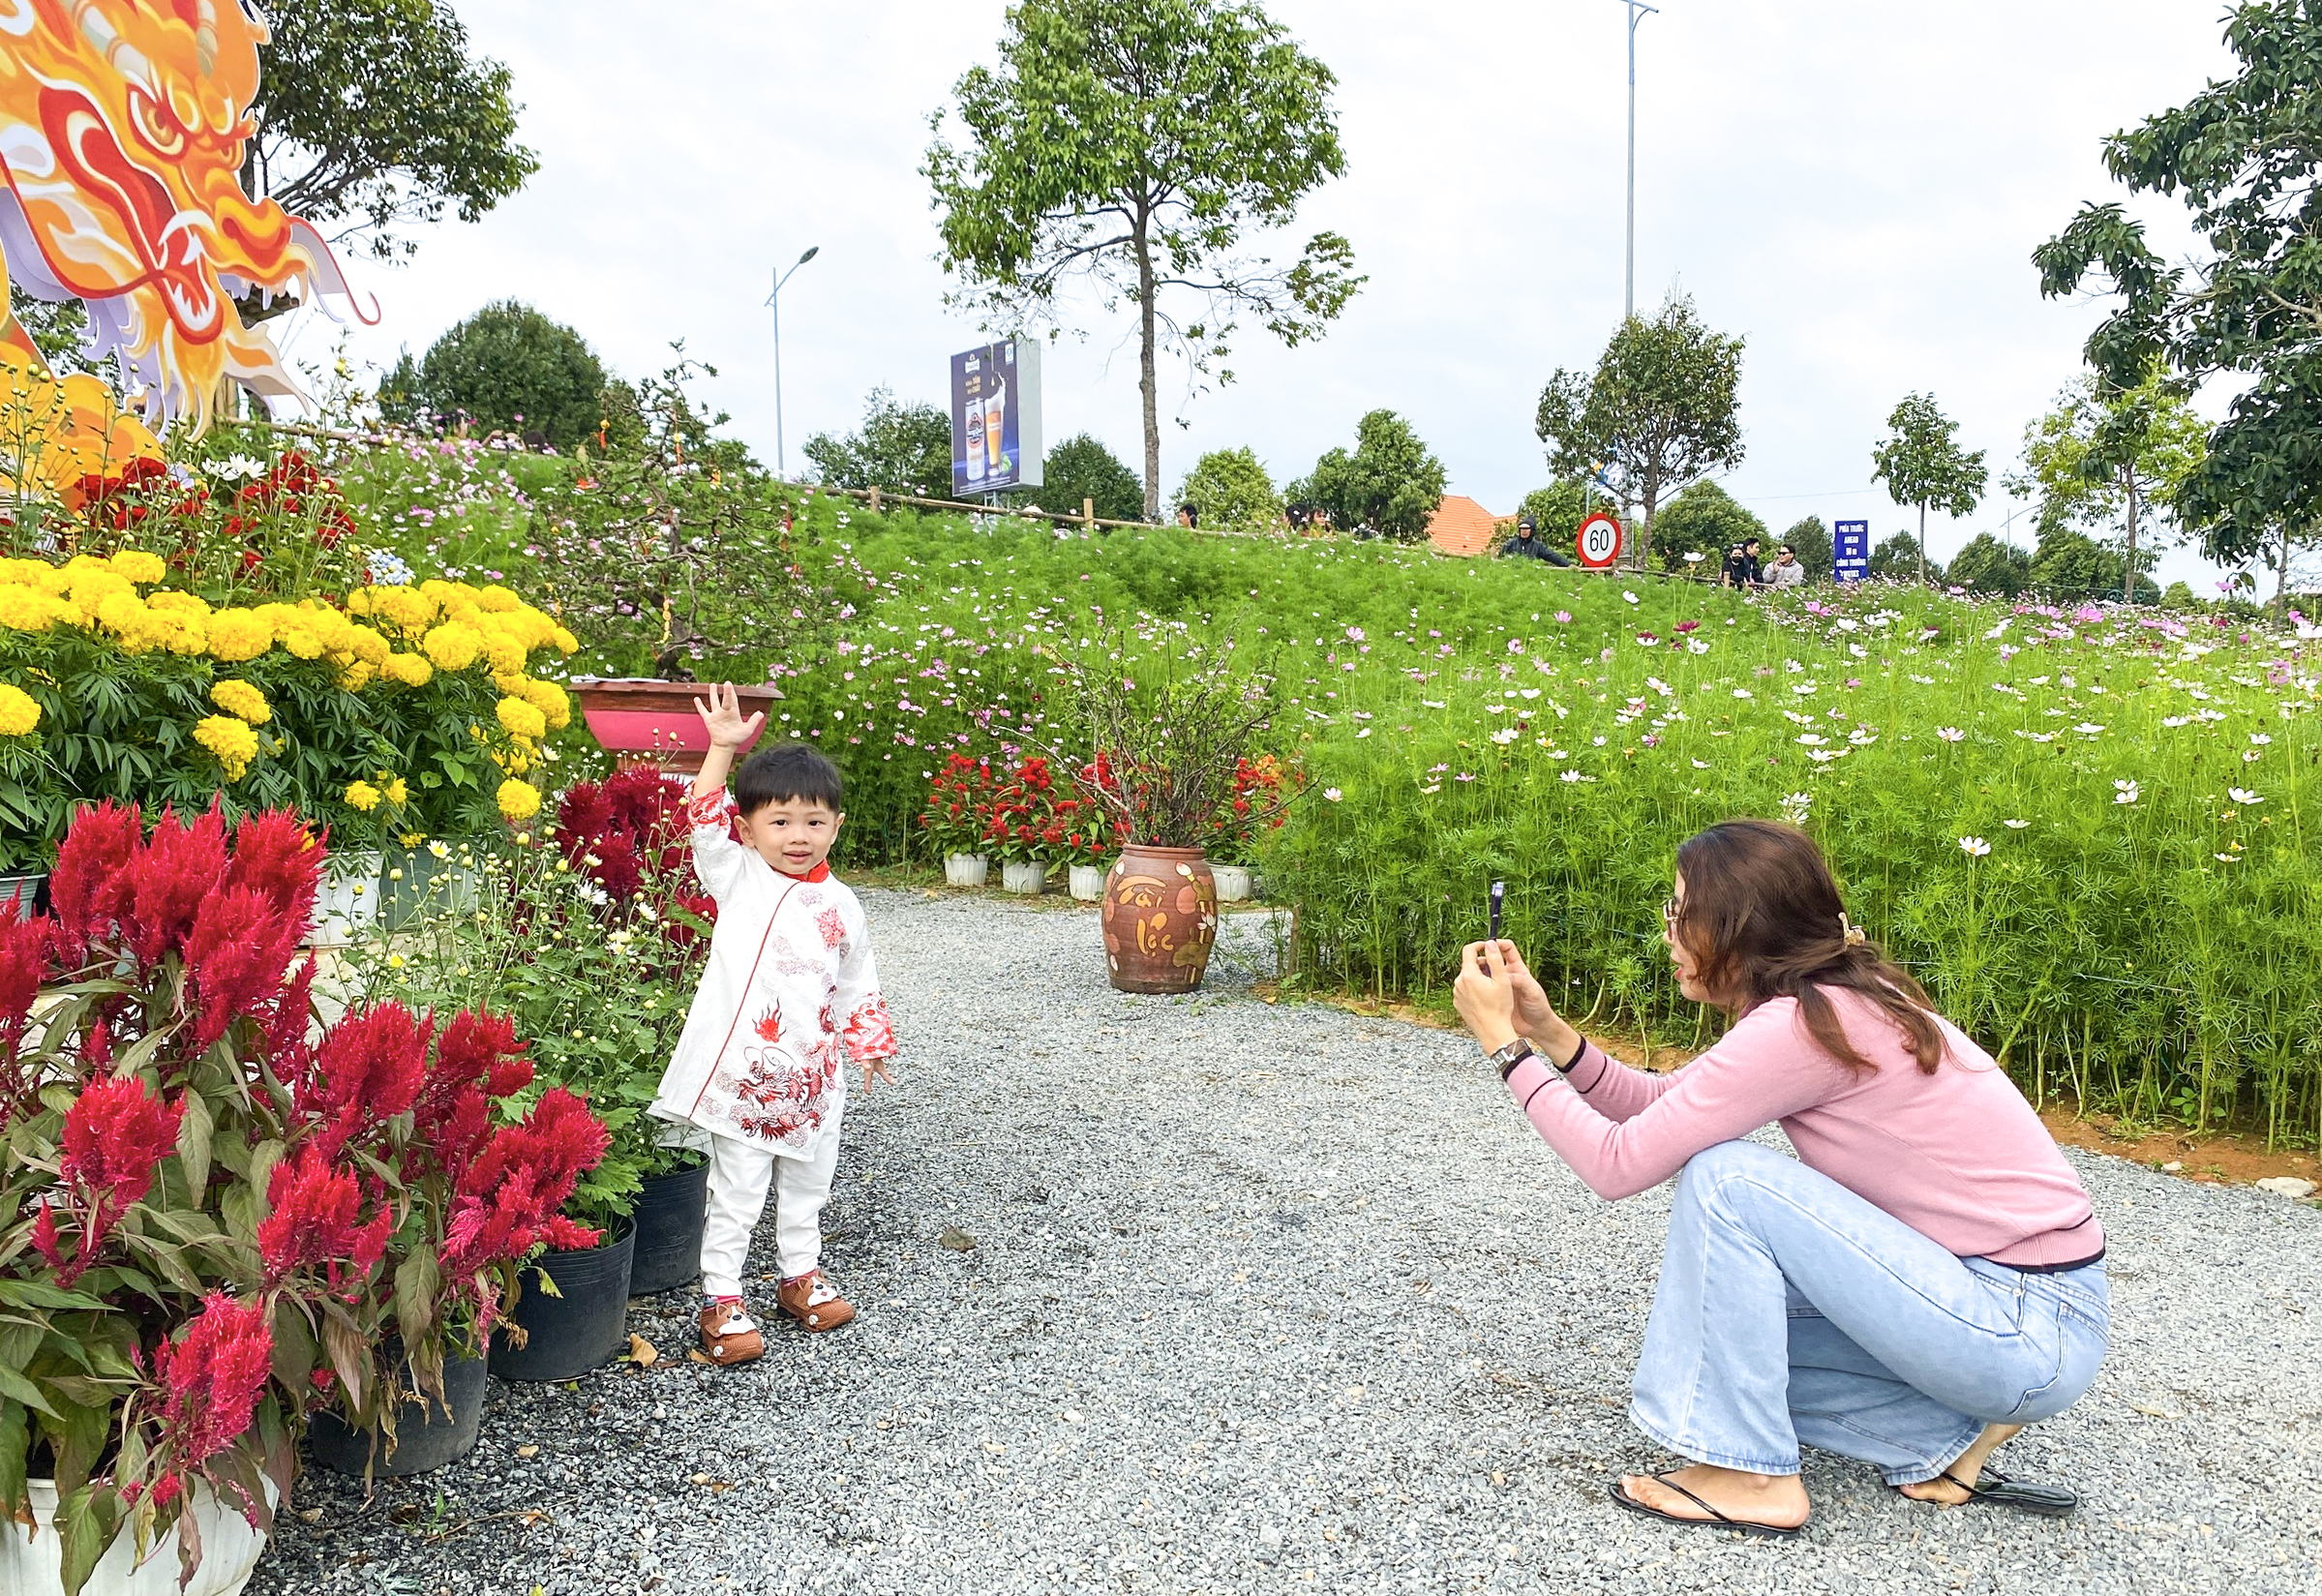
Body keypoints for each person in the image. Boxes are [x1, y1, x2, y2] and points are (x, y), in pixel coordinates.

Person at [1450, 820, 2106, 1538]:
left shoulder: (1802, 1026)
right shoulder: (1836, 1000)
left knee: (1727, 1181)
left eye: (1679, 910)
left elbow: (1617, 1164)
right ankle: (1945, 1435)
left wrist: (1504, 1047)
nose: (1668, 931)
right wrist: (1548, 1032)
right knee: (1713, 1337)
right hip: (2016, 1312)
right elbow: (1657, 1108)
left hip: (2019, 1322)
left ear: (1733, 928)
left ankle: (1754, 1474)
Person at [650, 684, 900, 1365]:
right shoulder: (738, 878)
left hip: (815, 1076)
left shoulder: (841, 902)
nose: (797, 836)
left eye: (813, 822)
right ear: (750, 828)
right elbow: (701, 814)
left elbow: (856, 977)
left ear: (836, 827)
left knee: (809, 1182)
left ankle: (799, 1277)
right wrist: (723, 747)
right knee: (737, 1189)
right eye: (781, 821)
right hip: (748, 1079)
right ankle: (722, 1298)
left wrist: (868, 1041)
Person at [1498, 515, 1573, 566]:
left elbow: (1552, 556)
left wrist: (1568, 564)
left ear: (1532, 531)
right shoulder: (1510, 544)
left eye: (1527, 529)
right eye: (1522, 529)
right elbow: (1499, 560)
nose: (1524, 531)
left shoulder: (1537, 546)